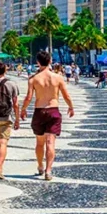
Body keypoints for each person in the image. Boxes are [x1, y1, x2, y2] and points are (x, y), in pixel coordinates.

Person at [20, 50, 75, 181]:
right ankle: (48, 171)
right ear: (50, 61)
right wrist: (71, 107)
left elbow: (28, 97)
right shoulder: (58, 78)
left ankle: (40, 166)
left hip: (39, 111)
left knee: (39, 143)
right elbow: (66, 95)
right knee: (50, 142)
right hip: (53, 111)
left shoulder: (33, 79)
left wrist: (23, 109)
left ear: (38, 62)